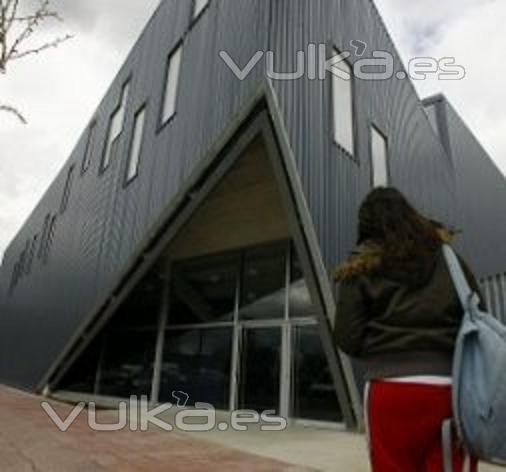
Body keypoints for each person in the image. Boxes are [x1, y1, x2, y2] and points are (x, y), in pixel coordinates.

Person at [333, 187, 486, 472]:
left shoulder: (358, 267)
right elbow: (479, 315)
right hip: (450, 390)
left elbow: (346, 336)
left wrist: (385, 350)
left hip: (388, 392)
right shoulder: (449, 259)